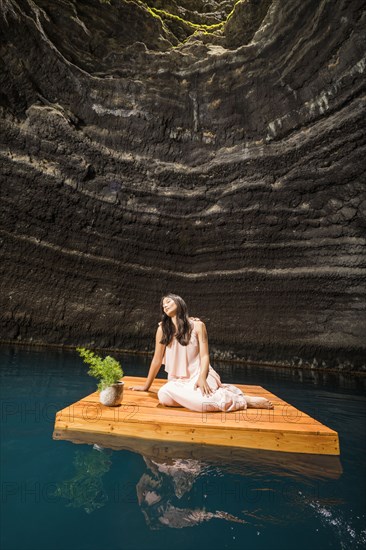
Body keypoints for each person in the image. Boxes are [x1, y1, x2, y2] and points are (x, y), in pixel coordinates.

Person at [129, 293, 273, 412]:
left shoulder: (198, 326)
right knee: (163, 395)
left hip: (201, 373)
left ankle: (242, 400)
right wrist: (146, 387)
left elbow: (205, 356)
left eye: (167, 301)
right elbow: (156, 359)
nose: (164, 305)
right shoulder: (162, 330)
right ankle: (216, 396)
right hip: (178, 380)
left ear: (179, 302)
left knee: (201, 402)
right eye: (163, 306)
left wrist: (202, 378)